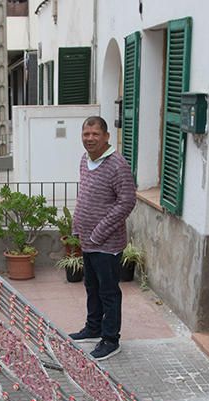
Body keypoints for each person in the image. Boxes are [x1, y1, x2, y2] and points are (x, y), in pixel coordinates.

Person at [68, 116, 136, 361]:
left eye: (95, 134)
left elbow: (127, 201)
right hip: (88, 240)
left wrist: (99, 231)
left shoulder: (117, 164)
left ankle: (111, 339)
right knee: (91, 286)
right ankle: (93, 328)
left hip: (107, 243)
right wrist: (79, 226)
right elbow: (85, 195)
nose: (90, 139)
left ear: (106, 136)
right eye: (86, 134)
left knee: (109, 292)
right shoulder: (85, 160)